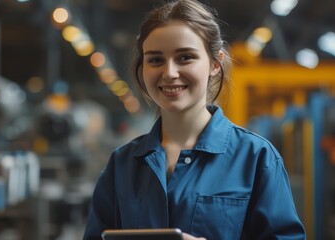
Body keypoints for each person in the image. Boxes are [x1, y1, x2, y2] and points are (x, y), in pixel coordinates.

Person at [83, 0, 306, 239]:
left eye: (185, 57)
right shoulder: (122, 164)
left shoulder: (256, 158)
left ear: (215, 63)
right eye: (156, 60)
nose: (169, 73)